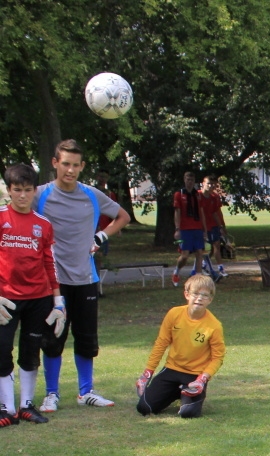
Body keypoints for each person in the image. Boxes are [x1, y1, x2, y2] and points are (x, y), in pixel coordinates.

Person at [36, 138, 131, 411]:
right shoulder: (40, 194)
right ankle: (51, 394)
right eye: (65, 164)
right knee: (53, 338)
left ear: (82, 166)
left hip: (86, 280)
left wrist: (100, 237)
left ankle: (86, 391)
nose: (70, 170)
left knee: (86, 338)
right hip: (53, 284)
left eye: (76, 165)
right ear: (55, 163)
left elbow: (122, 217)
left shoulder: (91, 194)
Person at [0, 163, 63, 426]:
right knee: (2, 349)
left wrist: (58, 301)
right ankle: (6, 408)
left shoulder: (43, 224)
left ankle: (26, 405)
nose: (23, 195)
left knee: (31, 350)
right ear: (9, 190)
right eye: (17, 190)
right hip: (5, 298)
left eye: (27, 190)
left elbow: (50, 263)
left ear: (34, 191)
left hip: (38, 298)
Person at [136, 274, 225, 419]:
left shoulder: (214, 326)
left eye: (205, 295)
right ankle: (175, 391)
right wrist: (147, 373)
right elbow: (161, 343)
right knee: (144, 407)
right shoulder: (174, 314)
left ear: (210, 299)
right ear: (187, 295)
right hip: (172, 369)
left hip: (195, 375)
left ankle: (188, 394)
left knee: (188, 413)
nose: (200, 298)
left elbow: (218, 357)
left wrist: (202, 379)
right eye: (195, 293)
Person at [172, 171, 207, 286]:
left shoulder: (198, 195)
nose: (190, 182)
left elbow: (201, 211)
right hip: (185, 229)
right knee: (185, 255)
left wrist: (204, 229)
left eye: (192, 180)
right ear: (184, 180)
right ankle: (176, 271)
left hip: (197, 228)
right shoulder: (179, 194)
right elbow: (177, 212)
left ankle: (198, 278)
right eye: (188, 179)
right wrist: (177, 229)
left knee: (199, 252)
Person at [200, 175, 228, 282]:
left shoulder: (214, 197)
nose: (211, 186)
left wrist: (221, 225)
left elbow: (216, 212)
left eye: (213, 184)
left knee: (216, 245)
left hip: (213, 225)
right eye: (209, 183)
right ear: (203, 183)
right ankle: (202, 267)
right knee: (206, 248)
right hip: (202, 226)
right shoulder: (198, 196)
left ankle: (220, 268)